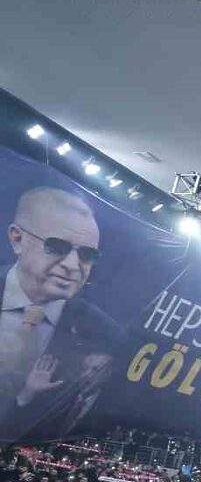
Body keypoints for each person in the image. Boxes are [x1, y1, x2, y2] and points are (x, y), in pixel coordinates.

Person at [0, 187, 122, 441]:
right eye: (56, 247)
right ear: (17, 239)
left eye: (86, 255)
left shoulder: (106, 334)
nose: (72, 266)